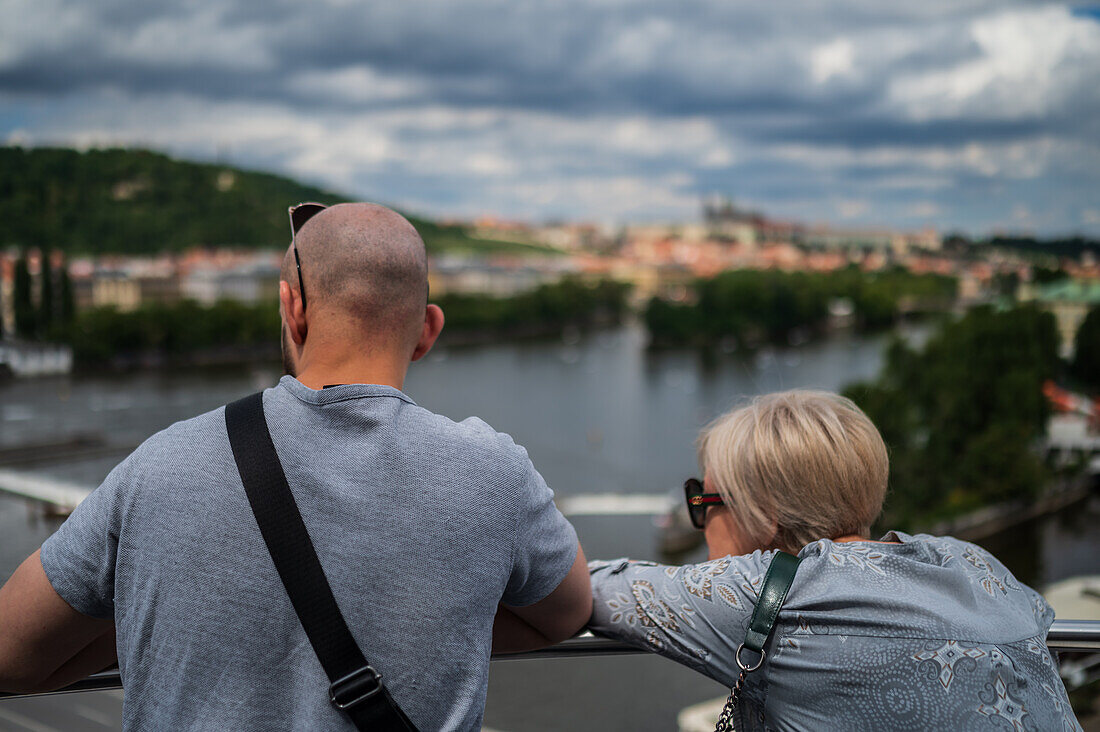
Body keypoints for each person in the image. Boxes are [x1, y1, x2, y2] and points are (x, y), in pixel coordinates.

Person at [0, 202, 591, 731]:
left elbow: (12, 653)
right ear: (426, 332)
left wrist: (162, 627)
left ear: (292, 308)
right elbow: (565, 615)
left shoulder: (161, 465)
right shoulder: (494, 475)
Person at [588, 390, 1081, 731]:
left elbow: (579, 586)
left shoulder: (761, 591)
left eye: (703, 498)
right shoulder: (971, 563)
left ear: (764, 516)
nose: (697, 515)